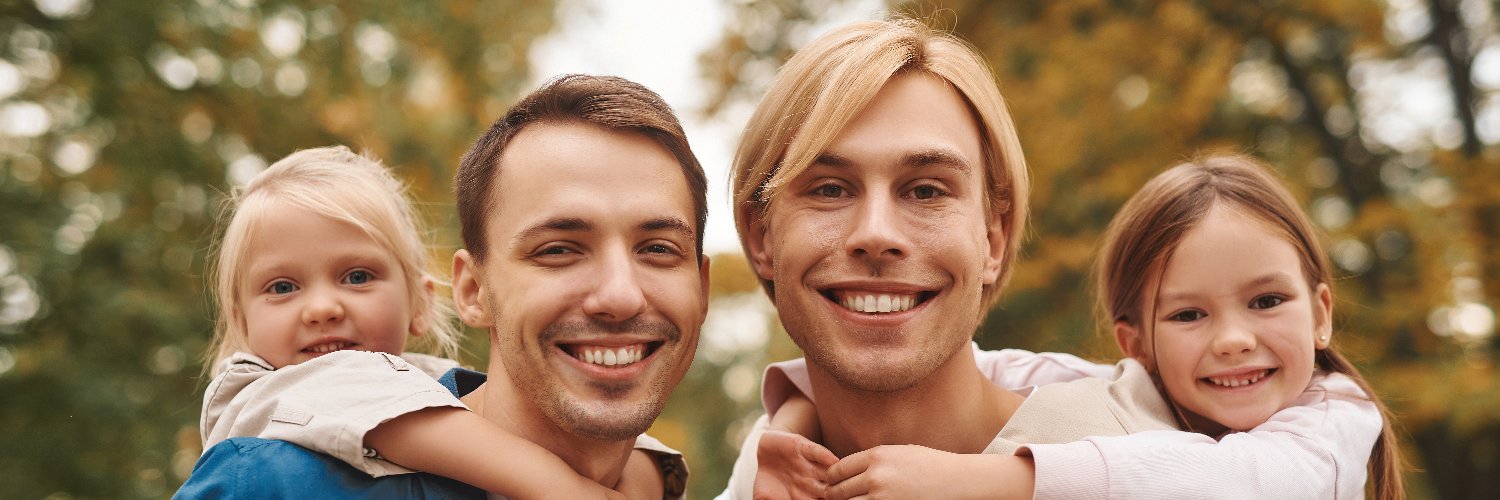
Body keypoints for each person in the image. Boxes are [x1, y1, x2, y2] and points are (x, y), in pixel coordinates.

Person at [720, 17, 1392, 499]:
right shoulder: (764, 473)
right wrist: (786, 420)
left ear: (994, 239)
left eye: (926, 189)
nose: (876, 233)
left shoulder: (1161, 447)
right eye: (829, 188)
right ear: (760, 236)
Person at [177, 73, 709, 499]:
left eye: (659, 249)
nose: (619, 295)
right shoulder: (274, 475)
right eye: (558, 249)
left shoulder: (425, 388)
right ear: (472, 291)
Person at [756, 155, 1405, 500]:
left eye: (1266, 301)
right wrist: (788, 434)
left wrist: (974, 481)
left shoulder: (1336, 414)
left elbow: (1235, 483)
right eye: (1188, 314)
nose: (1233, 337)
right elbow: (958, 364)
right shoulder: (1121, 395)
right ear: (1136, 345)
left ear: (1321, 313)